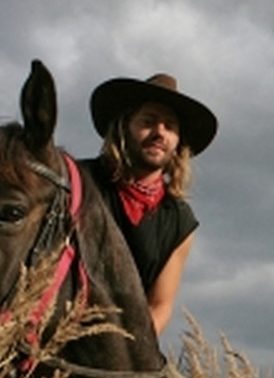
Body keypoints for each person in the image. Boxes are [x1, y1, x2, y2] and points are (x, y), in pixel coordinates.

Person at [81, 72, 218, 336]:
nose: (159, 133)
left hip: (124, 349)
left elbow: (159, 306)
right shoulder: (79, 182)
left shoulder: (179, 220)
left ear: (178, 143)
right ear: (124, 127)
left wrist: (127, 356)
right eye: (148, 121)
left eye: (170, 126)